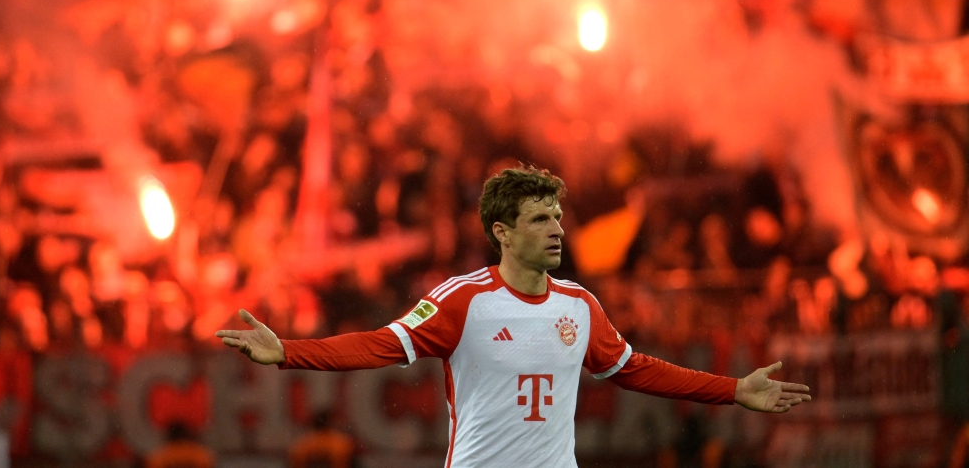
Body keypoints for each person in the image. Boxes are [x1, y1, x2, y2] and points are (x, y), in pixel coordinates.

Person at [217, 166, 811, 468]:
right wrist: (288, 351)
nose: (556, 229)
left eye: (556, 216)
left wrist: (733, 390)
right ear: (502, 232)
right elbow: (378, 345)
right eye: (538, 219)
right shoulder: (462, 300)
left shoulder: (580, 305)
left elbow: (637, 369)